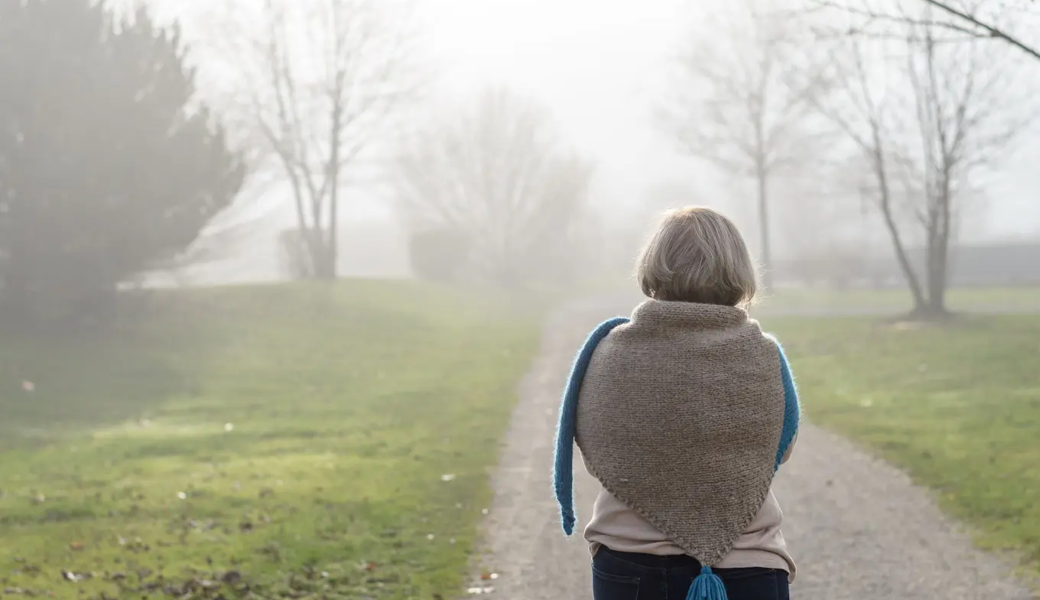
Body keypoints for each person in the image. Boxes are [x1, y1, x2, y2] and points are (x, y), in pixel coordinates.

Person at [553, 207, 800, 600]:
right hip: (748, 565)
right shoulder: (764, 355)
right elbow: (779, 449)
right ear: (737, 270)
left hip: (629, 562)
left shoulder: (608, 351)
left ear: (655, 265)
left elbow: (599, 446)